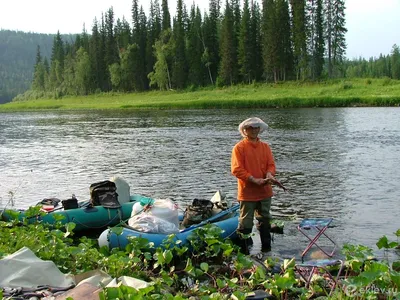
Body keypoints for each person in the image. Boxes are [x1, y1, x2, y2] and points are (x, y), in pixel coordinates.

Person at [231, 117, 276, 254]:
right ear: (245, 130)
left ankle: (267, 251)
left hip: (265, 191)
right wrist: (253, 180)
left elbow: (271, 165)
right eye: (251, 128)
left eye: (256, 127)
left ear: (259, 129)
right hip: (247, 192)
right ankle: (244, 254)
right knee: (245, 224)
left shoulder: (265, 147)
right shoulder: (239, 148)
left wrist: (269, 174)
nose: (254, 130)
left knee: (265, 221)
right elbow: (237, 169)